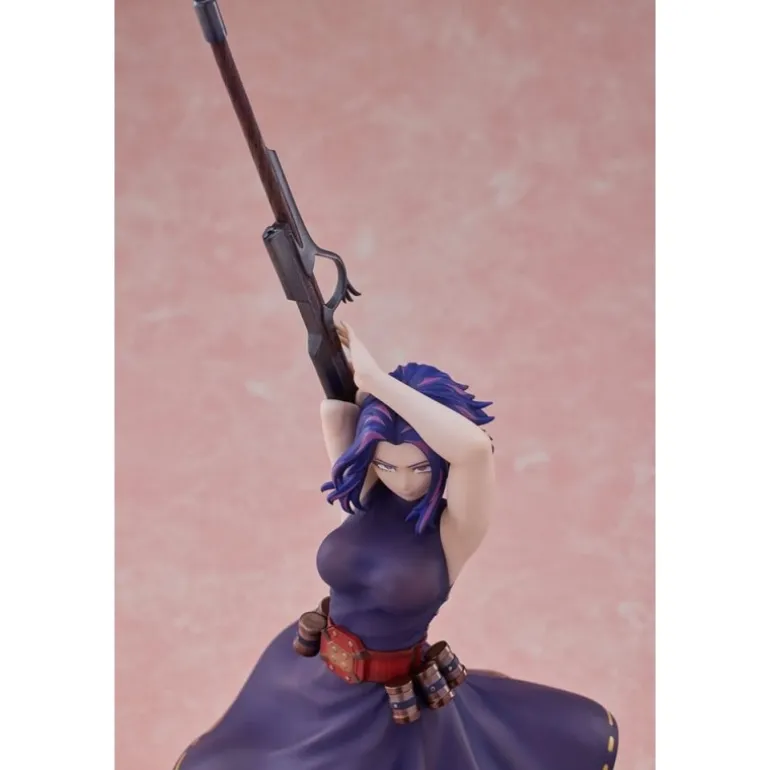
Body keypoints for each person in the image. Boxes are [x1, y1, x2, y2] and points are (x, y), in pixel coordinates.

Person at [173, 322, 619, 770]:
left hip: (386, 707)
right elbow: (336, 412)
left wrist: (377, 381)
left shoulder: (454, 530)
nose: (402, 481)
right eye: (388, 465)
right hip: (309, 674)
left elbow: (473, 449)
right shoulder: (366, 494)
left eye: (419, 468)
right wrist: (335, 351)